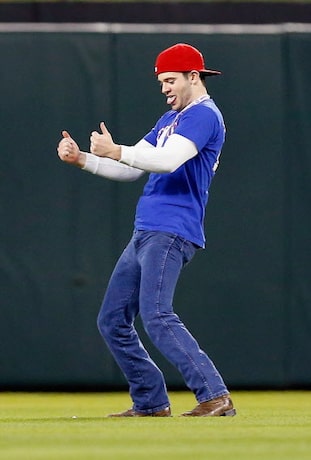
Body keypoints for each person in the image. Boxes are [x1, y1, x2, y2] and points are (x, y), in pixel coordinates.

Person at [56, 43, 235, 417]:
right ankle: (151, 402)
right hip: (147, 229)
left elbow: (168, 161)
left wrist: (116, 150)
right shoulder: (170, 119)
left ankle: (215, 396)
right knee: (112, 320)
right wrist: (83, 160)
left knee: (156, 314)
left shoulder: (203, 116)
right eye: (161, 82)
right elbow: (133, 168)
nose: (165, 88)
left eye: (170, 80)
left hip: (172, 228)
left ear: (193, 77)